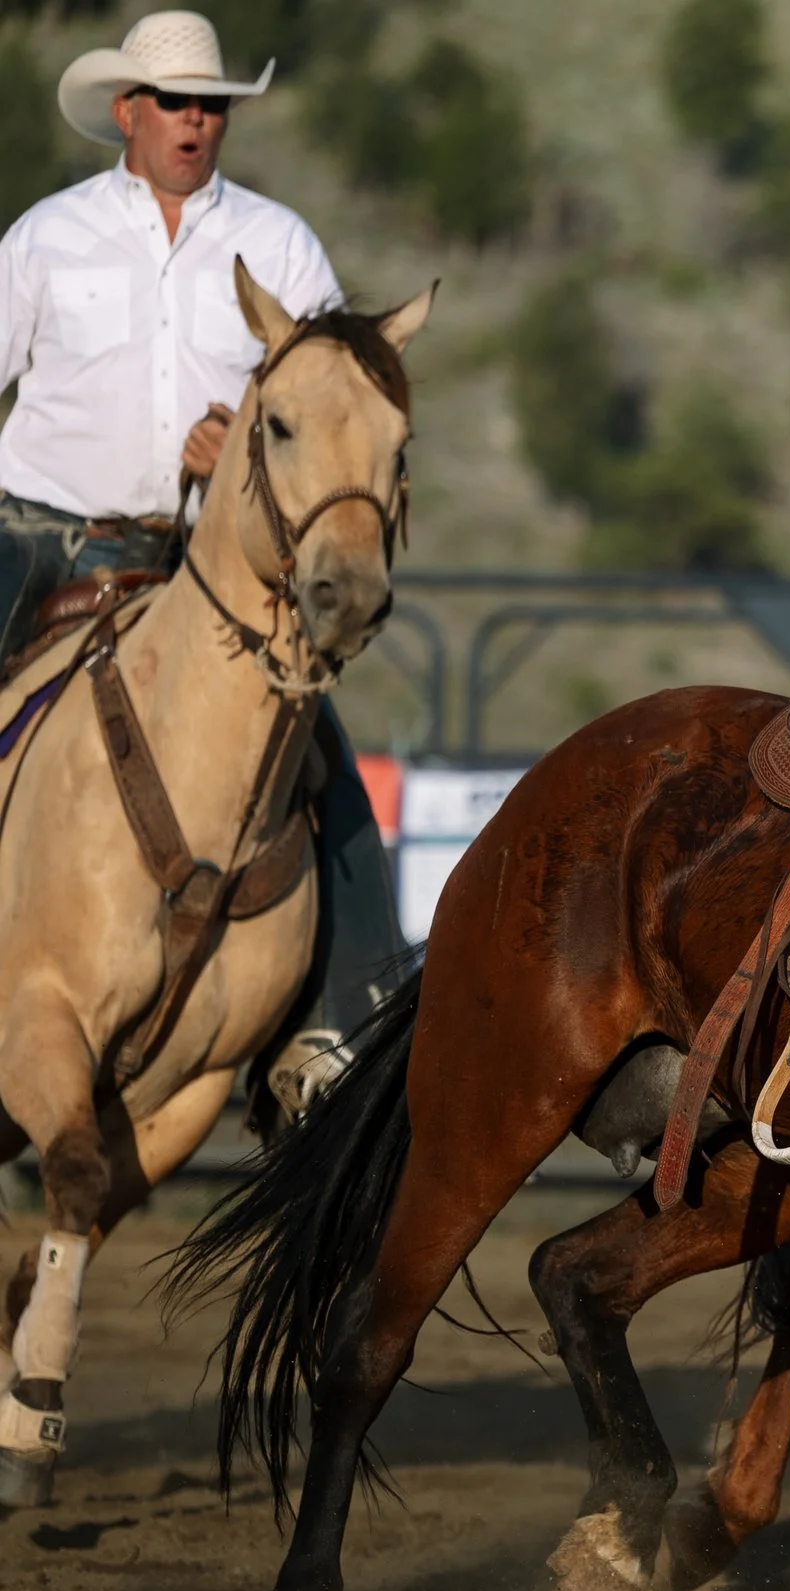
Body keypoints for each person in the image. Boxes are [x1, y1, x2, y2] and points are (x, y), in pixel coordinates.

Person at [0, 10, 404, 1118]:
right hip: (41, 533)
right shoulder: (46, 237)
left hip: (207, 562)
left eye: (210, 106)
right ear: (127, 113)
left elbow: (331, 405)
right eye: (175, 103)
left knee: (309, 749)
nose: (193, 122)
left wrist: (240, 453)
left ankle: (342, 1020)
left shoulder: (281, 247)